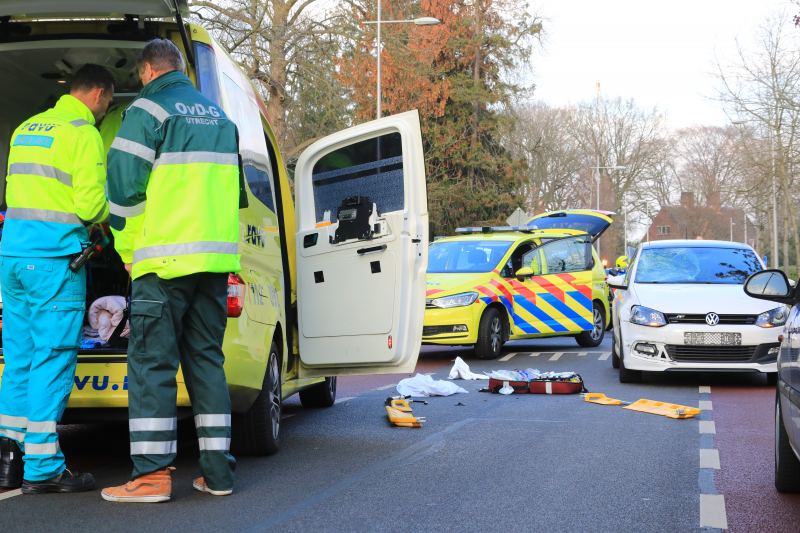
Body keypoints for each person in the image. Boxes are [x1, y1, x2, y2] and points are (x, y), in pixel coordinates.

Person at [101, 38, 245, 503]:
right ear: (179, 67)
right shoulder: (222, 119)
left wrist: (126, 248)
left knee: (151, 365)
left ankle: (151, 477)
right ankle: (218, 474)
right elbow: (234, 197)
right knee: (207, 363)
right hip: (214, 263)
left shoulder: (147, 111)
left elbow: (123, 191)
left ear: (146, 70)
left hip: (162, 263)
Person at [0, 64, 113, 493]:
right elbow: (88, 206)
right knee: (52, 358)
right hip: (53, 264)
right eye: (107, 104)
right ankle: (43, 468)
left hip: (12, 258)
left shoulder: (26, 128)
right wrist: (108, 217)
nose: (104, 112)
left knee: (21, 358)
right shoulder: (83, 134)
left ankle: (8, 459)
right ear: (99, 94)